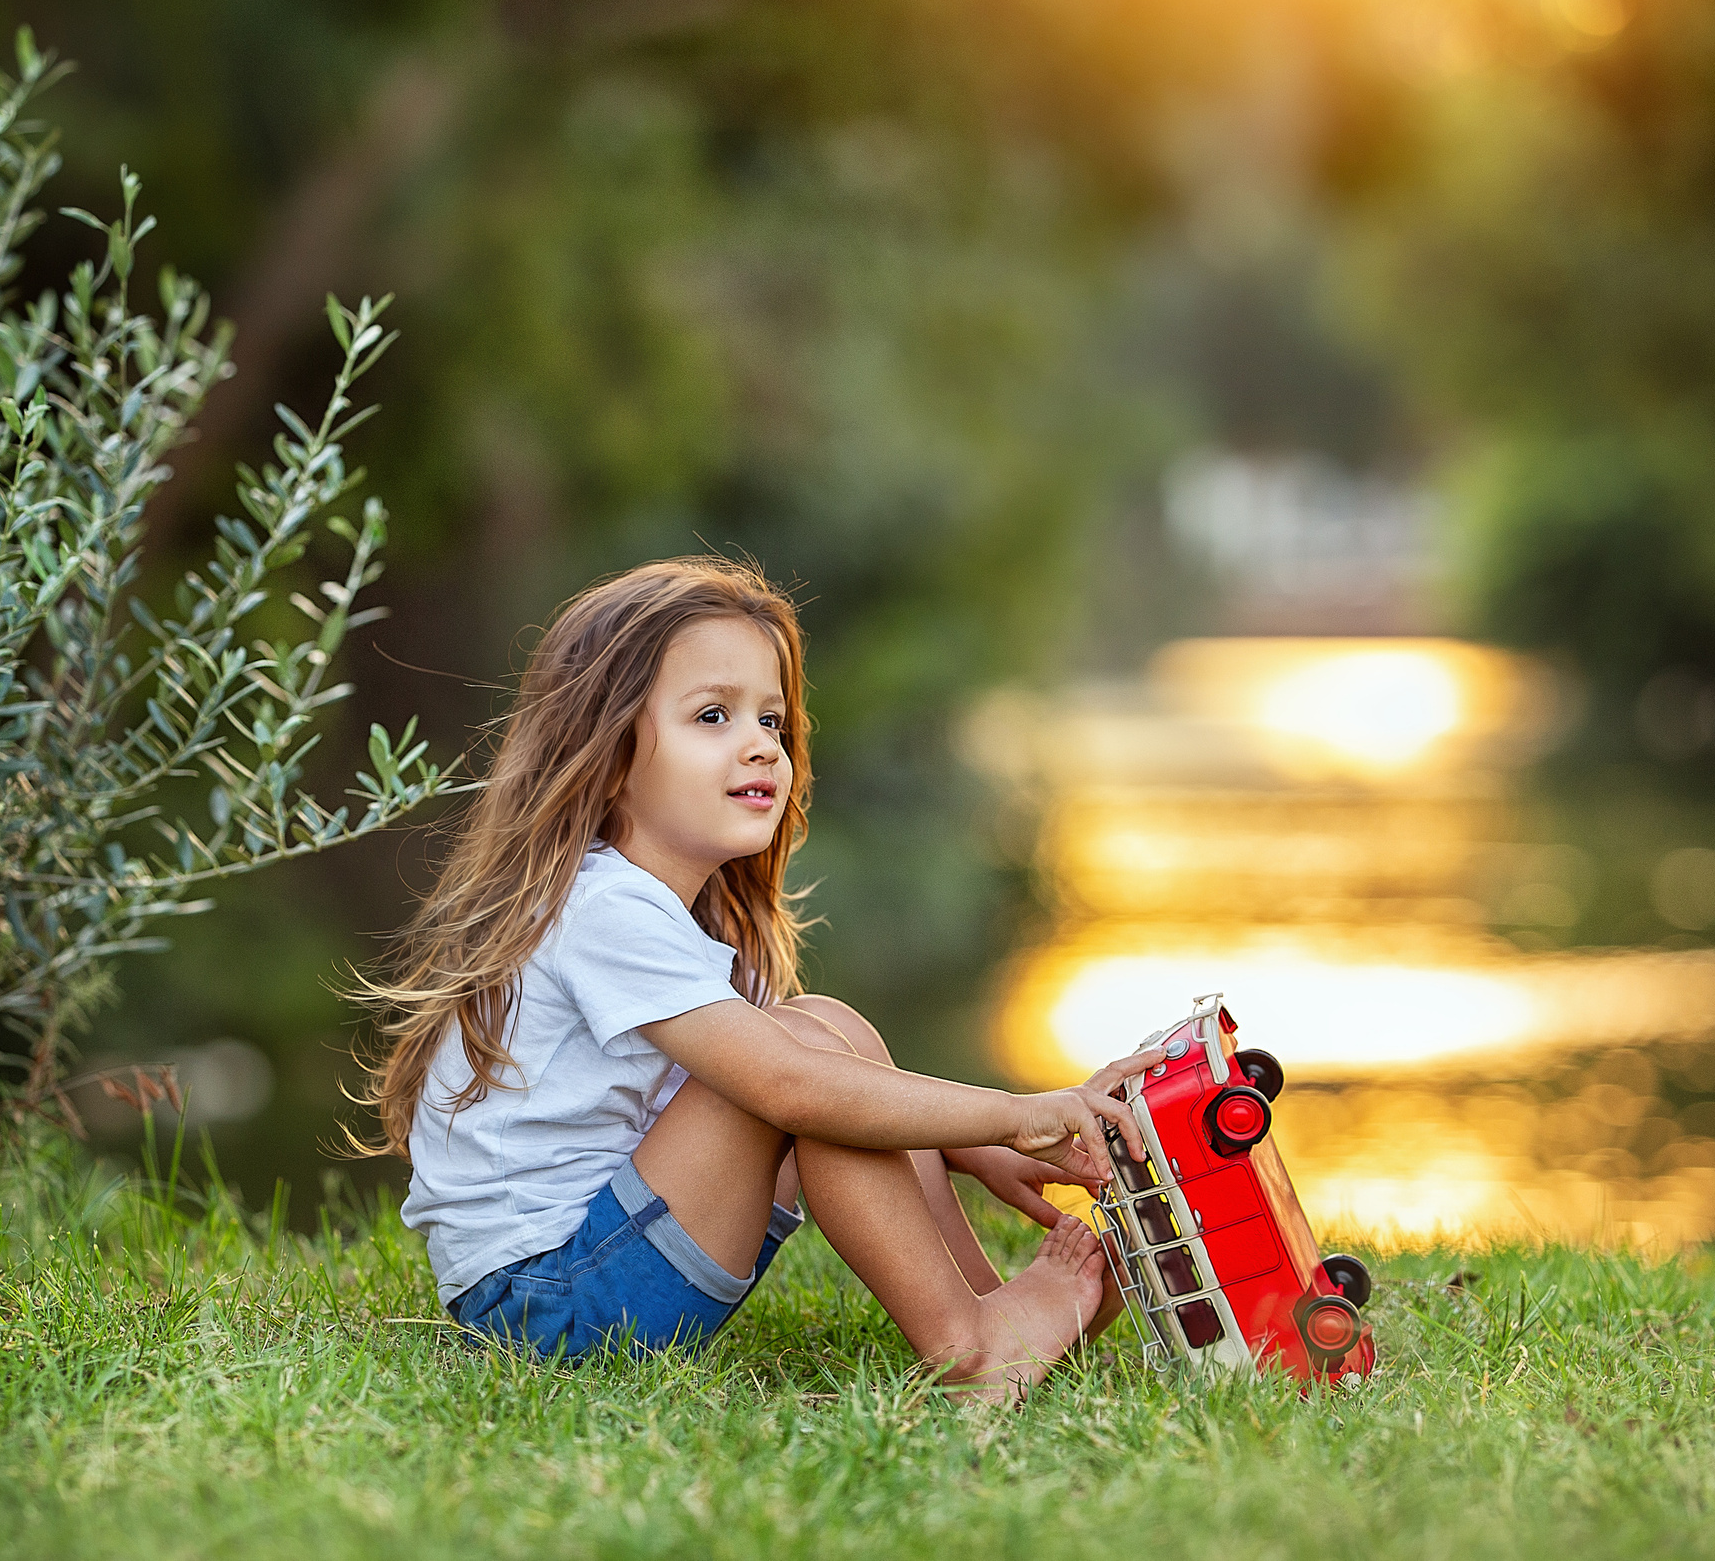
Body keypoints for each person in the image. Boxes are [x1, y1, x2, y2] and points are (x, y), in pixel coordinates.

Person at [354, 557, 1158, 1401]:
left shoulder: (654, 907)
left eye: (771, 719)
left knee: (827, 1025)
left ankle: (988, 1311)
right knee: (800, 1062)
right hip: (542, 1309)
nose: (760, 743)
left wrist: (981, 1145)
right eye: (713, 714)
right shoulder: (602, 910)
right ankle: (969, 1349)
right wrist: (1020, 1113)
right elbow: (789, 1086)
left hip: (581, 1268)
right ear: (606, 746)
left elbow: (805, 1070)